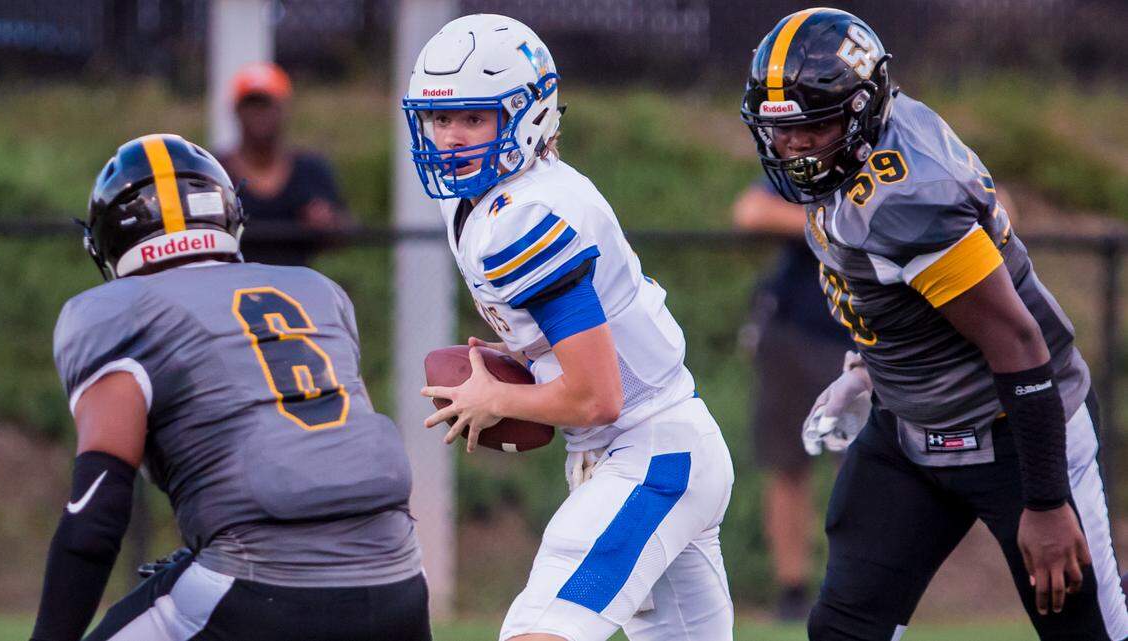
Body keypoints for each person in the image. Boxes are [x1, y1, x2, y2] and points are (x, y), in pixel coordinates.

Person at [740, 8, 1128, 640]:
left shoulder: (908, 201)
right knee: (844, 630)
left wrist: (1049, 500)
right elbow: (901, 290)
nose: (797, 148)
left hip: (1013, 432)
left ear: (862, 110)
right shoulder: (868, 145)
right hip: (912, 428)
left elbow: (1019, 340)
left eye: (815, 128)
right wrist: (873, 365)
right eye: (783, 133)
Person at [403, 14, 734, 641]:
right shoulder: (488, 202)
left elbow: (596, 396)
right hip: (665, 446)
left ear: (528, 114)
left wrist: (493, 396)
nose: (449, 137)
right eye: (440, 118)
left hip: (646, 451)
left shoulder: (525, 215)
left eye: (474, 117)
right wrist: (525, 353)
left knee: (539, 633)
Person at [29, 134, 430, 641]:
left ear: (106, 242)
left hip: (257, 588)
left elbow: (97, 516)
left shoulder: (113, 313)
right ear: (228, 215)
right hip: (401, 587)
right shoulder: (316, 292)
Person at [733, 178, 851, 620]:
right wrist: (836, 225)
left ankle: (853, 583)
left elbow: (996, 204)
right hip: (794, 334)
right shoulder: (816, 163)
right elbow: (750, 210)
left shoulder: (902, 158)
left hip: (864, 342)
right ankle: (792, 590)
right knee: (787, 465)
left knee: (859, 467)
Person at [218, 62, 349, 266]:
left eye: (267, 104)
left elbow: (344, 232)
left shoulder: (310, 170)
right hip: (230, 291)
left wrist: (327, 224)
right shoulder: (217, 171)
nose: (259, 114)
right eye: (252, 104)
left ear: (284, 109)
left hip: (297, 291)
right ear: (237, 110)